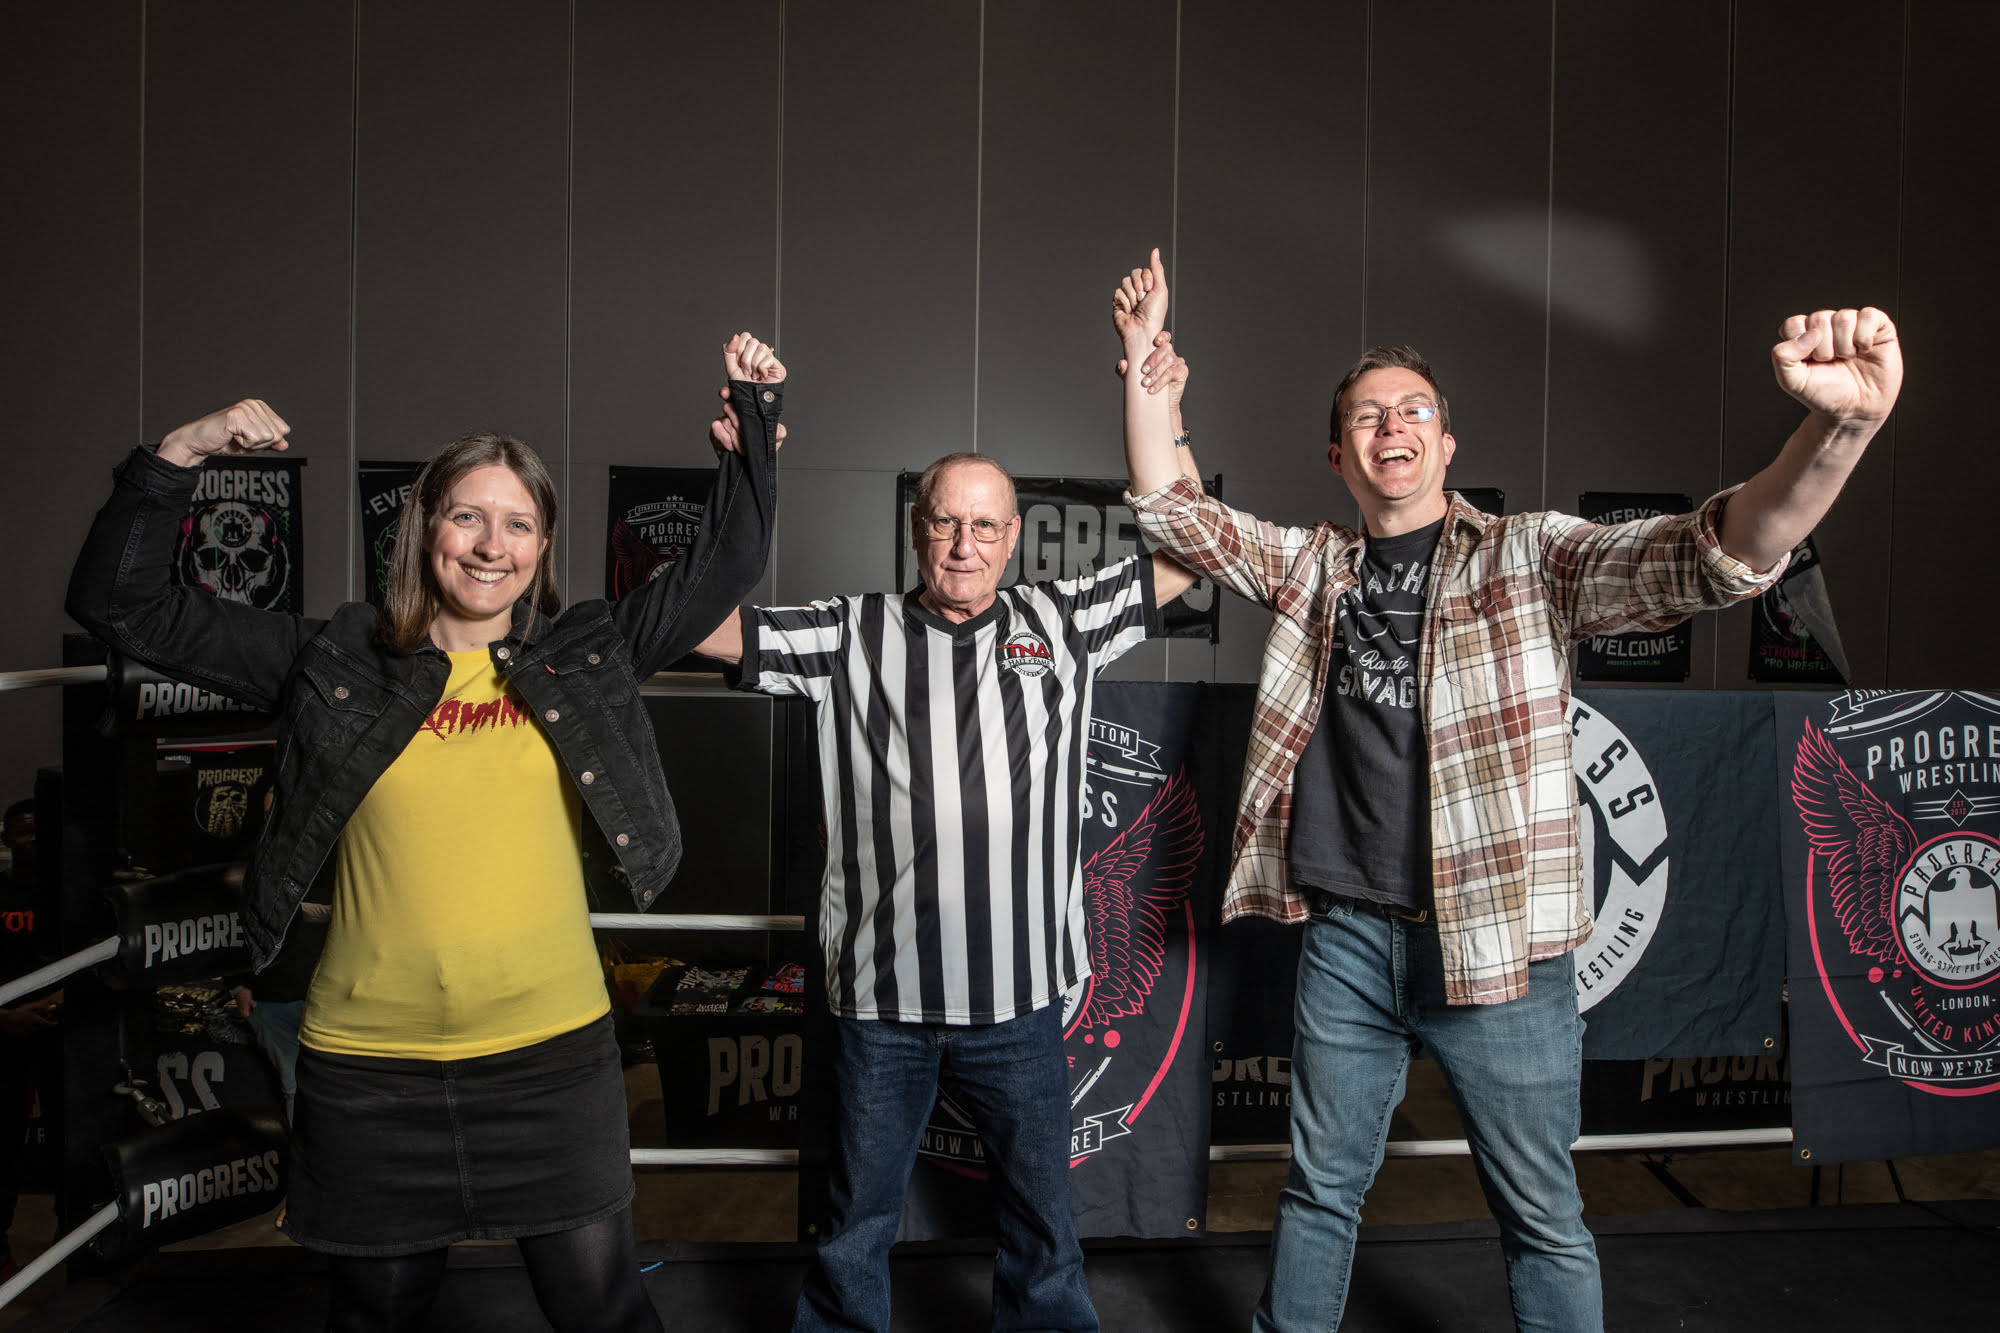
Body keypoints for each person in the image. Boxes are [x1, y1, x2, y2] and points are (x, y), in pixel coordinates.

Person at [1113, 249, 1900, 1332]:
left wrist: (1838, 430)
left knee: (1541, 1216)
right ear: (1338, 453)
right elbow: (1173, 512)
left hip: (1502, 952)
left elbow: (1710, 554)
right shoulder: (1312, 569)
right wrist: (1141, 367)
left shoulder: (1528, 558)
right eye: (1366, 415)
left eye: (1414, 409)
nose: (1391, 425)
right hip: (1347, 941)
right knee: (1318, 1193)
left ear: (1446, 443)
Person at [65, 334, 786, 1333]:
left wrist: (751, 425)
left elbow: (726, 564)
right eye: (467, 516)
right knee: (377, 1315)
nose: (491, 545)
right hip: (371, 1073)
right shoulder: (336, 659)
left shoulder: (586, 652)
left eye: (518, 524)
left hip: (550, 1062)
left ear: (542, 546)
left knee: (604, 1311)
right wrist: (180, 453)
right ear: (425, 527)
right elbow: (120, 604)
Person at [694, 368, 1194, 1333]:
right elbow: (698, 627)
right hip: (882, 1004)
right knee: (854, 1229)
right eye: (946, 522)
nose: (965, 544)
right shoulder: (849, 632)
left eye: (985, 525)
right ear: (917, 528)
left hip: (1021, 1000)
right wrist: (744, 475)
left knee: (1043, 1231)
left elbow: (1188, 554)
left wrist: (1162, 407)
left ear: (1014, 535)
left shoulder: (1061, 622)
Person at [0, 798, 59, 1285]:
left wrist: (60, 1001)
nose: (33, 839)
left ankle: (73, 1236)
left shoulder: (72, 894)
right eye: (23, 832)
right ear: (7, 840)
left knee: (72, 1137)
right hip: (5, 1033)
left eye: (41, 829)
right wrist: (4, 1017)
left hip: (63, 1030)